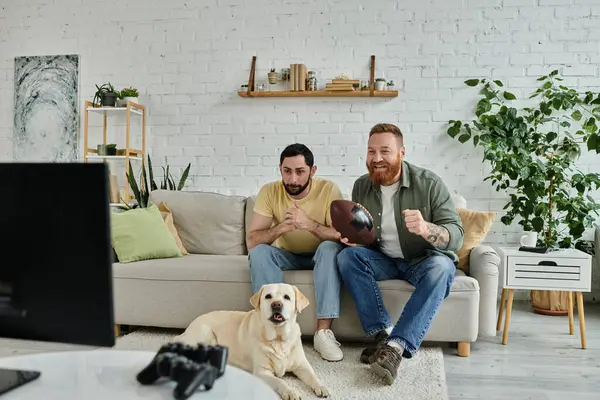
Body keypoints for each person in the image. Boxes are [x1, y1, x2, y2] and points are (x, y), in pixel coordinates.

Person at [336, 123, 464, 384]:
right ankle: (383, 334)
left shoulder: (429, 183)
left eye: (385, 151)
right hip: (382, 259)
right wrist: (352, 239)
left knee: (443, 268)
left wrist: (427, 228)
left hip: (422, 261)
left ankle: (395, 347)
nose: (377, 158)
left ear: (401, 153)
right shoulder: (362, 186)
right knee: (347, 257)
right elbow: (364, 232)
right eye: (371, 152)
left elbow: (457, 236)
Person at [247, 143, 346, 362]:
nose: (292, 180)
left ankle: (323, 334)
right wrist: (282, 227)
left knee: (330, 248)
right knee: (259, 253)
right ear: (280, 169)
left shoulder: (329, 189)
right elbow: (252, 240)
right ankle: (273, 331)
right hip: (287, 255)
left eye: (300, 172)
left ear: (313, 171)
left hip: (320, 254)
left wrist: (309, 224)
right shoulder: (269, 191)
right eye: (287, 171)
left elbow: (341, 236)